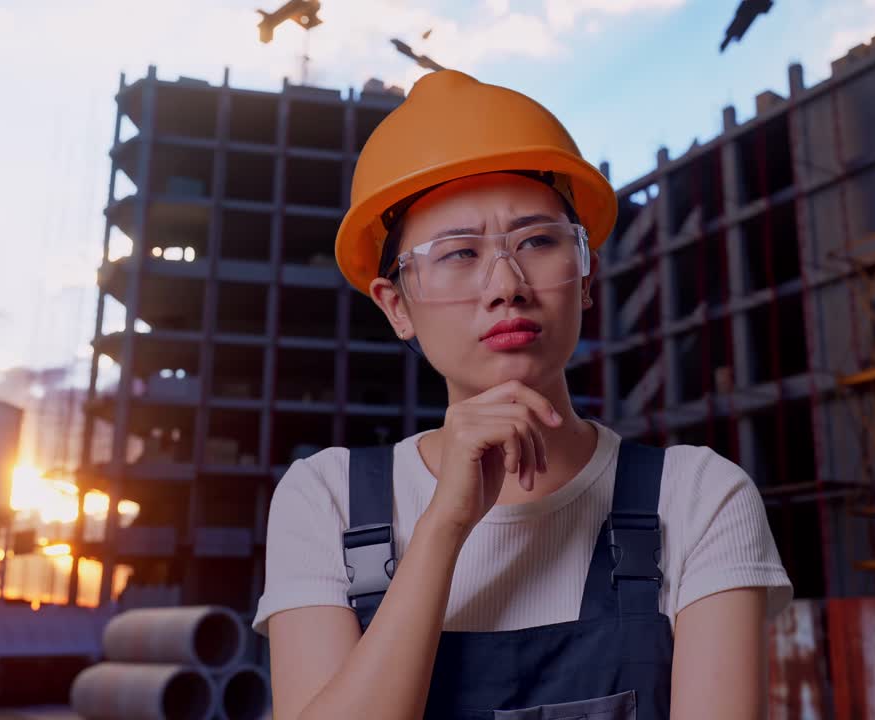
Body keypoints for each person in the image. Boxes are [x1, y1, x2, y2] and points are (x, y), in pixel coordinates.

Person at [252, 69, 792, 720]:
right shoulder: (327, 502)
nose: (506, 284)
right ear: (397, 306)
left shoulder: (701, 498)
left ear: (586, 276)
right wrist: (442, 527)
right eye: (458, 254)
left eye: (537, 242)